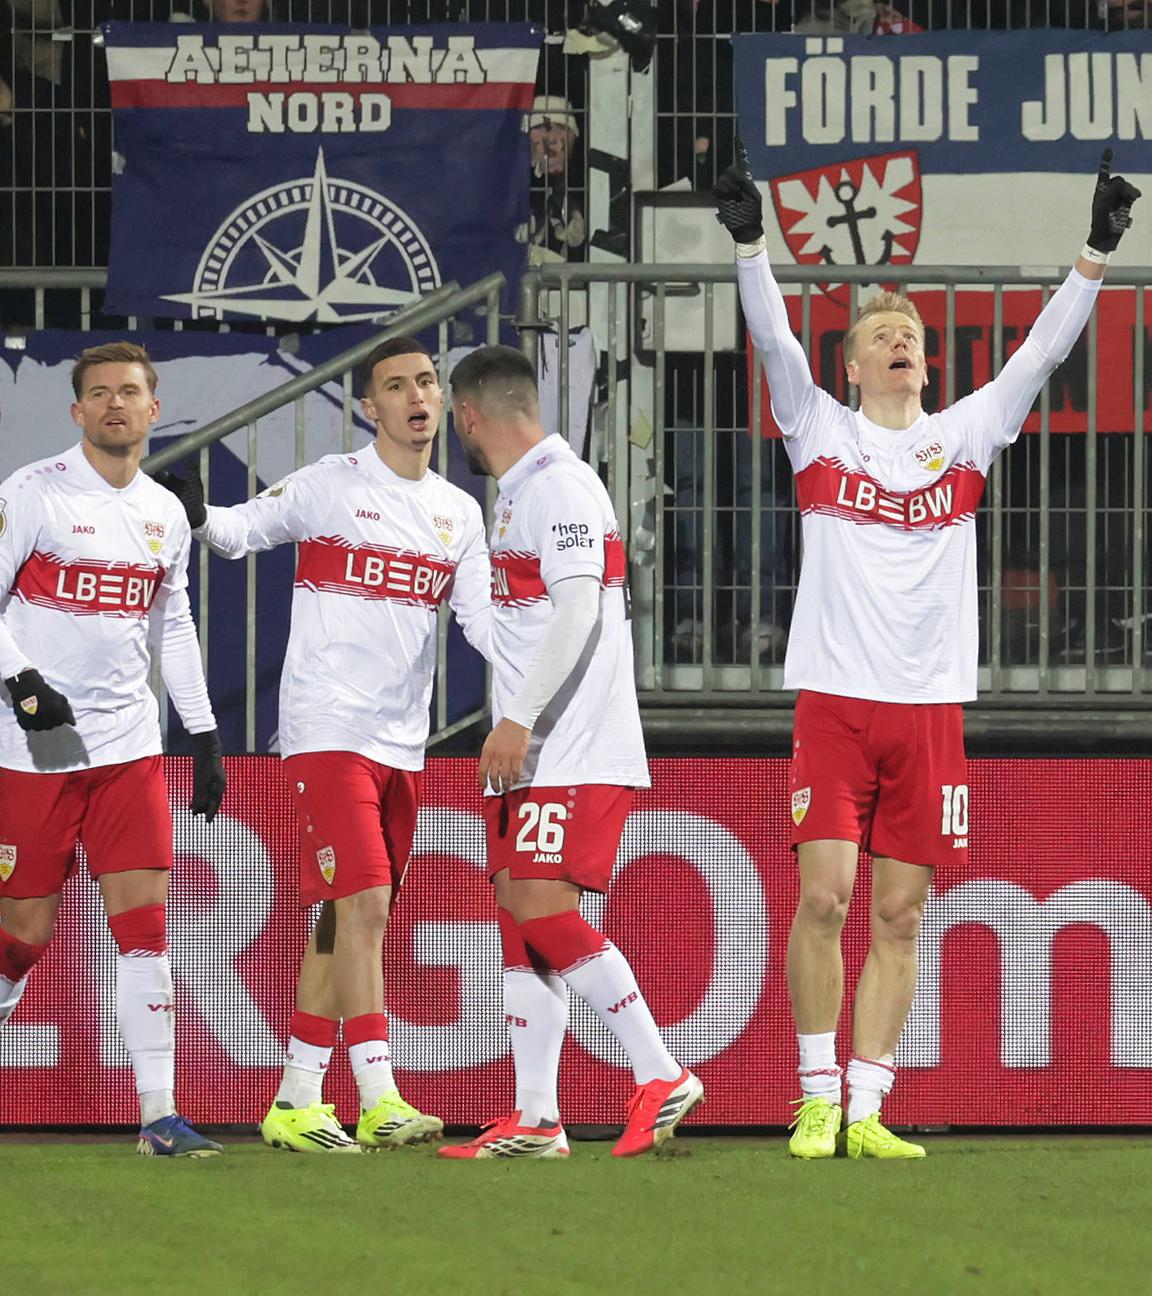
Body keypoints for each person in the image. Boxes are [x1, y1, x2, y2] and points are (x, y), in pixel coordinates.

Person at [714, 147, 1141, 1158]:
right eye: (880, 335)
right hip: (836, 702)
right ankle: (815, 1096)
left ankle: (869, 1109)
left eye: (909, 334)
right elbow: (774, 338)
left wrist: (1095, 252)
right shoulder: (816, 430)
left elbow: (1039, 354)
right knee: (825, 894)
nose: (900, 342)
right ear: (853, 364)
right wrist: (748, 243)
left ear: (925, 362)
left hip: (931, 707)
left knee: (900, 916)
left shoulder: (966, 434)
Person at [158, 337, 491, 1153]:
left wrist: (548, 678)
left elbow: (482, 624)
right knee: (366, 902)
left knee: (340, 920)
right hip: (324, 732)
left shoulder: (460, 514)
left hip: (402, 744)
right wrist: (197, 514)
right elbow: (239, 534)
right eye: (395, 387)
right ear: (370, 409)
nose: (416, 396)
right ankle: (379, 1095)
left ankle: (297, 1099)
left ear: (441, 400)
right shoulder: (330, 487)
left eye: (426, 382)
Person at [438, 345, 702, 1160]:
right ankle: (537, 1118)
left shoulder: (559, 485)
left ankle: (660, 1072)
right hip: (538, 750)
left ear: (469, 415)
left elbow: (580, 611)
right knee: (520, 922)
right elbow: (519, 627)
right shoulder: (516, 498)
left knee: (544, 912)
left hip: (572, 747)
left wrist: (515, 720)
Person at [0, 341, 227, 1158]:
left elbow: (174, 625)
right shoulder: (33, 493)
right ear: (77, 412)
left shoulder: (166, 514)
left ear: (153, 409)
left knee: (145, 929)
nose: (115, 406)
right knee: (19, 938)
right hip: (39, 749)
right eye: (99, 394)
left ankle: (159, 1115)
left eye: (130, 392)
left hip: (130, 748)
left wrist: (200, 733)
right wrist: (23, 684)